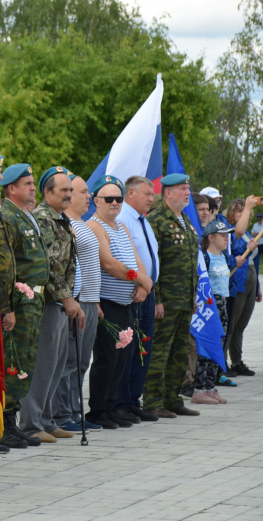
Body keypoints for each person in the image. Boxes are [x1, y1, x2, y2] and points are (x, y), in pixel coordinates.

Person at [19, 166, 83, 443]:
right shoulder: (43, 219)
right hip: (48, 302)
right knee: (44, 363)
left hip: (61, 302)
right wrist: (67, 297)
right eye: (64, 190)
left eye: (71, 190)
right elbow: (51, 265)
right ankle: (31, 423)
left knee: (56, 364)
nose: (69, 195)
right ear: (47, 192)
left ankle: (46, 419)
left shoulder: (61, 219)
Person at [85, 176, 152, 429]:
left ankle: (113, 407)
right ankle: (98, 411)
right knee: (106, 359)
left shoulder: (121, 227)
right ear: (96, 201)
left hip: (127, 303)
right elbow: (109, 264)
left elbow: (136, 260)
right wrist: (140, 279)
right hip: (107, 301)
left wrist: (143, 285)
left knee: (122, 358)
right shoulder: (95, 226)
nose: (114, 203)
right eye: (108, 199)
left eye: (118, 199)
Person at [0, 164, 48, 448]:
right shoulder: (7, 216)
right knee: (12, 362)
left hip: (34, 300)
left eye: (32, 182)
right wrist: (8, 306)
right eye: (26, 183)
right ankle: (3, 424)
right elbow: (7, 265)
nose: (32, 188)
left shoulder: (25, 215)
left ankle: (11, 419)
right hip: (19, 301)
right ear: (11, 188)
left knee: (25, 361)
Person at [142, 174, 200, 418]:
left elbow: (189, 262)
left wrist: (192, 296)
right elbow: (154, 263)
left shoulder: (185, 219)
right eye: (182, 189)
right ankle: (152, 400)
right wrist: (157, 298)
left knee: (180, 351)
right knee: (160, 352)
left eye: (188, 189)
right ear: (167, 193)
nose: (187, 193)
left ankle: (172, 398)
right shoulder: (157, 220)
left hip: (185, 299)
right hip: (166, 300)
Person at [54, 173, 103, 433]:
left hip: (90, 299)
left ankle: (74, 410)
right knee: (70, 360)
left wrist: (95, 302)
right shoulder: (66, 224)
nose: (89, 197)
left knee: (83, 360)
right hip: (77, 299)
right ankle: (63, 413)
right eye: (84, 192)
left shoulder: (81, 223)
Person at [115, 176, 161, 422]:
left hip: (147, 292)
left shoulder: (144, 221)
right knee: (131, 349)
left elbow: (150, 257)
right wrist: (141, 284)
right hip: (134, 293)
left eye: (152, 195)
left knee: (144, 349)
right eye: (147, 194)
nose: (151, 199)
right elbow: (126, 257)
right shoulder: (124, 219)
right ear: (130, 193)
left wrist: (151, 287)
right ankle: (122, 401)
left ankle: (134, 399)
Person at [193, 221, 235, 404]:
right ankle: (199, 389)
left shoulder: (224, 256)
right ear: (211, 237)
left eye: (227, 234)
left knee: (219, 344)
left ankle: (210, 386)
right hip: (210, 306)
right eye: (222, 235)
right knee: (206, 346)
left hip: (223, 304)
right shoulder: (204, 258)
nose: (226, 238)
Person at [224, 198, 262, 377]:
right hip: (238, 280)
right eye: (238, 211)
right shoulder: (231, 232)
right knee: (231, 323)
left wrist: (258, 287)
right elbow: (233, 250)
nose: (242, 214)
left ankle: (237, 360)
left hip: (251, 277)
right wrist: (245, 247)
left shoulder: (247, 233)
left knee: (241, 323)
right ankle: (222, 361)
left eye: (244, 211)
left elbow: (254, 259)